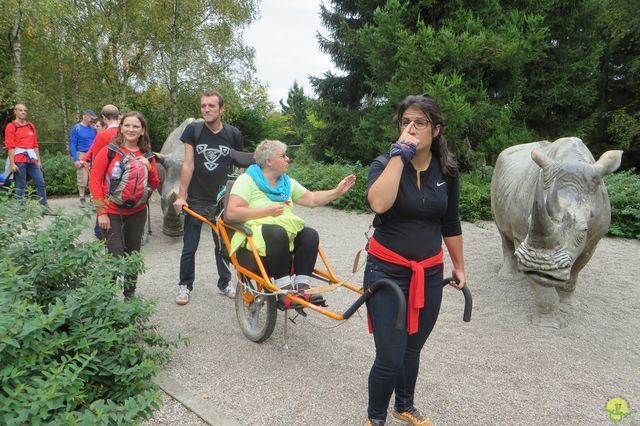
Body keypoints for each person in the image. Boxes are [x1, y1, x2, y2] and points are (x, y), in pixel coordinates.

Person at [363, 95, 466, 426]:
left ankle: (403, 405)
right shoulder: (383, 164)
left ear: (435, 130)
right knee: (390, 355)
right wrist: (399, 157)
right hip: (385, 273)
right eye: (405, 122)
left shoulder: (448, 172)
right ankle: (375, 418)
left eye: (419, 123)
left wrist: (459, 266)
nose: (410, 128)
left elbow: (450, 222)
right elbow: (378, 203)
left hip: (430, 274)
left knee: (411, 349)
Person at [225, 139, 356, 295]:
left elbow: (313, 199)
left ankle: (302, 286)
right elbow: (232, 213)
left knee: (310, 234)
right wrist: (266, 211)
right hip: (252, 236)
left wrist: (337, 191)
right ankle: (283, 288)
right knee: (277, 232)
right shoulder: (247, 180)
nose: (288, 159)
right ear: (269, 161)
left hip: (281, 236)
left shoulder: (287, 183)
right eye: (283, 155)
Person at [172, 90, 245, 305]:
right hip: (196, 198)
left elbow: (240, 168)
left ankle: (225, 283)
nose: (206, 110)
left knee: (223, 244)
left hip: (223, 200)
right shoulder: (193, 131)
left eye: (211, 106)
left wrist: (240, 197)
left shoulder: (233, 134)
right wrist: (181, 196)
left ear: (221, 109)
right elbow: (188, 164)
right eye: (203, 106)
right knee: (190, 245)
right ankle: (185, 286)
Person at [89, 111, 160, 299]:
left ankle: (130, 296)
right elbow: (94, 181)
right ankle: (107, 298)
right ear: (121, 127)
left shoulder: (147, 155)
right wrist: (101, 213)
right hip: (111, 212)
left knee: (133, 255)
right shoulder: (110, 150)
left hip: (137, 213)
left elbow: (154, 184)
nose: (131, 129)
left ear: (142, 130)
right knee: (115, 256)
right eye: (127, 125)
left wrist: (149, 167)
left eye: (136, 126)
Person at [81, 105, 120, 240]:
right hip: (123, 175)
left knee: (103, 200)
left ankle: (100, 232)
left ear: (104, 118)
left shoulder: (103, 135)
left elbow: (96, 160)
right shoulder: (126, 133)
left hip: (107, 177)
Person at [3, 103, 51, 209]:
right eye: (20, 110)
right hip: (19, 159)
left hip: (32, 159)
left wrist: (39, 161)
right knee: (21, 185)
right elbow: (10, 147)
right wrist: (12, 163)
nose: (23, 112)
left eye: (25, 110)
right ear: (15, 112)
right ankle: (22, 208)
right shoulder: (11, 126)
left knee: (40, 182)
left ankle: (44, 207)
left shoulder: (31, 126)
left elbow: (35, 145)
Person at [69, 109, 98, 204]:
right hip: (81, 154)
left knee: (93, 177)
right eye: (91, 118)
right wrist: (76, 159)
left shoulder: (93, 128)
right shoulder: (77, 128)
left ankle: (92, 197)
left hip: (93, 154)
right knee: (83, 177)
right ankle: (82, 197)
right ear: (85, 116)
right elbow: (72, 144)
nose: (92, 120)